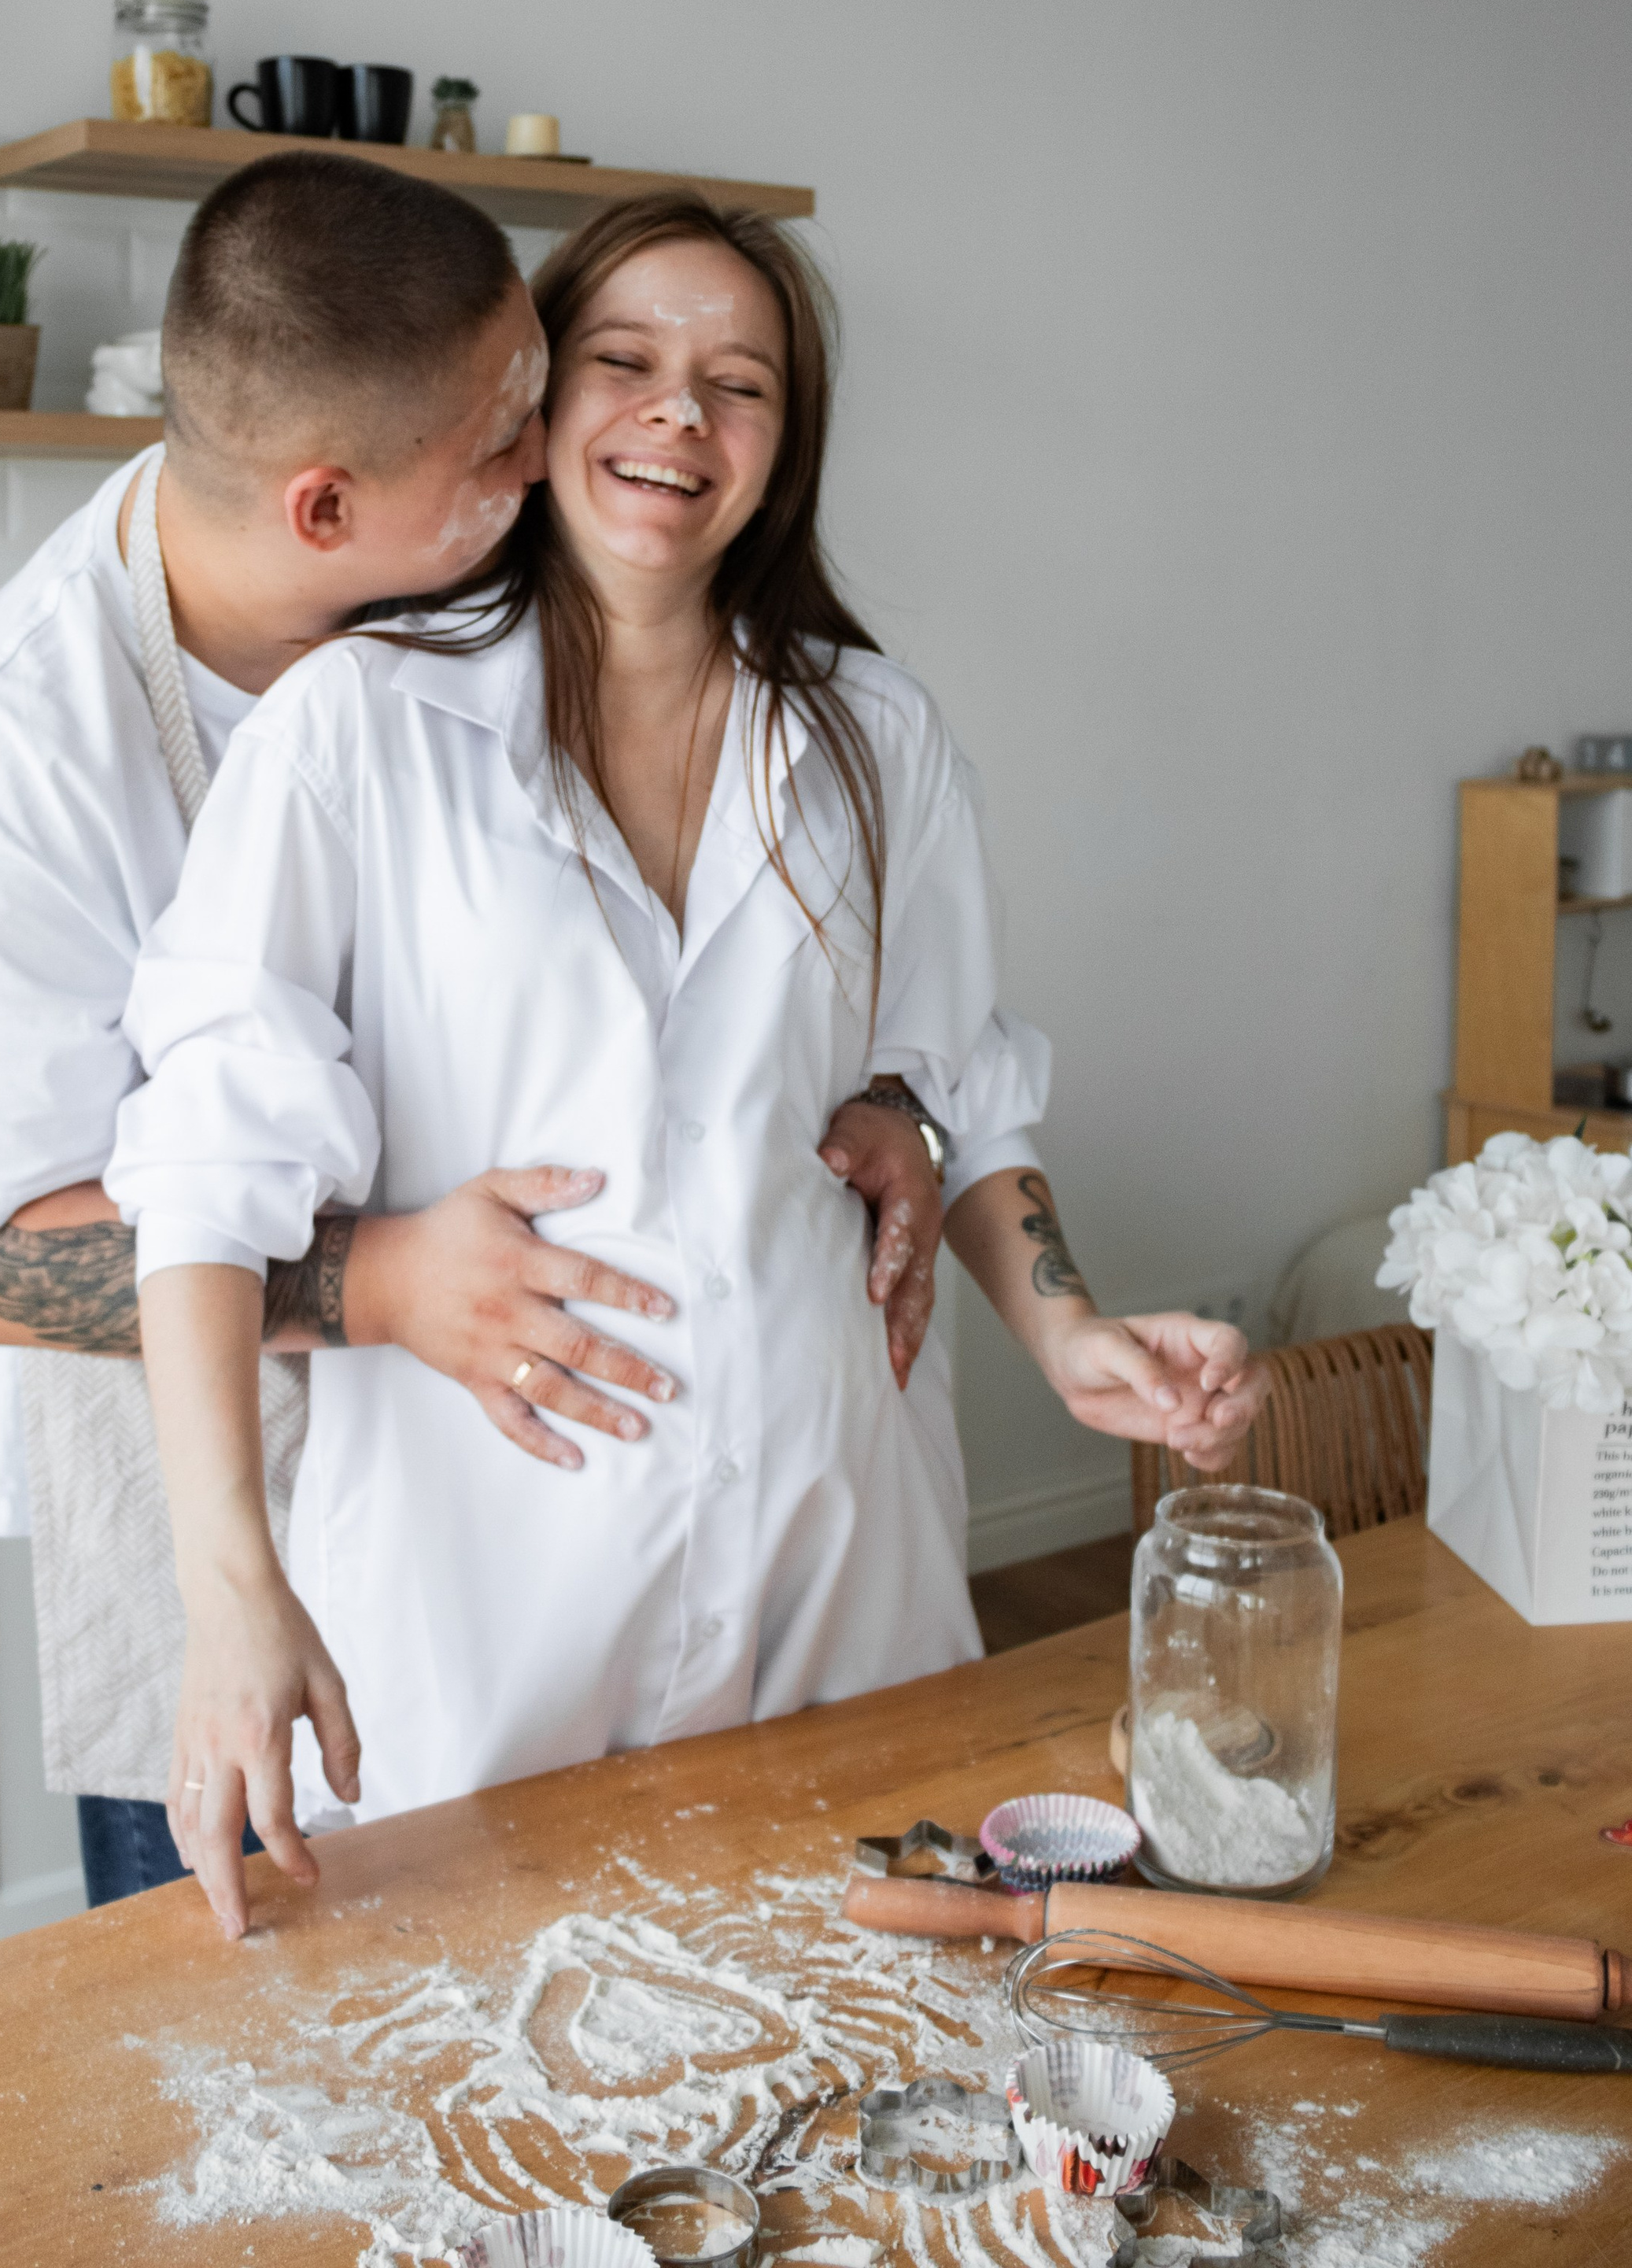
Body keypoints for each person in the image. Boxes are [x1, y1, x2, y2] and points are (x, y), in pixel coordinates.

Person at [108, 190, 1268, 1937]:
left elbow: (954, 1098)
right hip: (489, 1596)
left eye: (739, 384)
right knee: (496, 2106)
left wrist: (1067, 1325)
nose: (679, 414)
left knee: (852, 2069)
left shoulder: (876, 740)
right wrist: (229, 1593)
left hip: (833, 1552)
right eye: (625, 363)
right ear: (528, 407)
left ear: (779, 451)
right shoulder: (357, 731)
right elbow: (203, 1179)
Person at [0, 153, 944, 1905]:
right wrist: (380, 1289)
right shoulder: (4, 768)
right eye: (502, 444)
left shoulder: (470, 630)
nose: (552, 462)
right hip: (181, 1459)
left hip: (499, 1474)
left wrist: (887, 1098)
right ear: (321, 510)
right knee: (253, 1985)